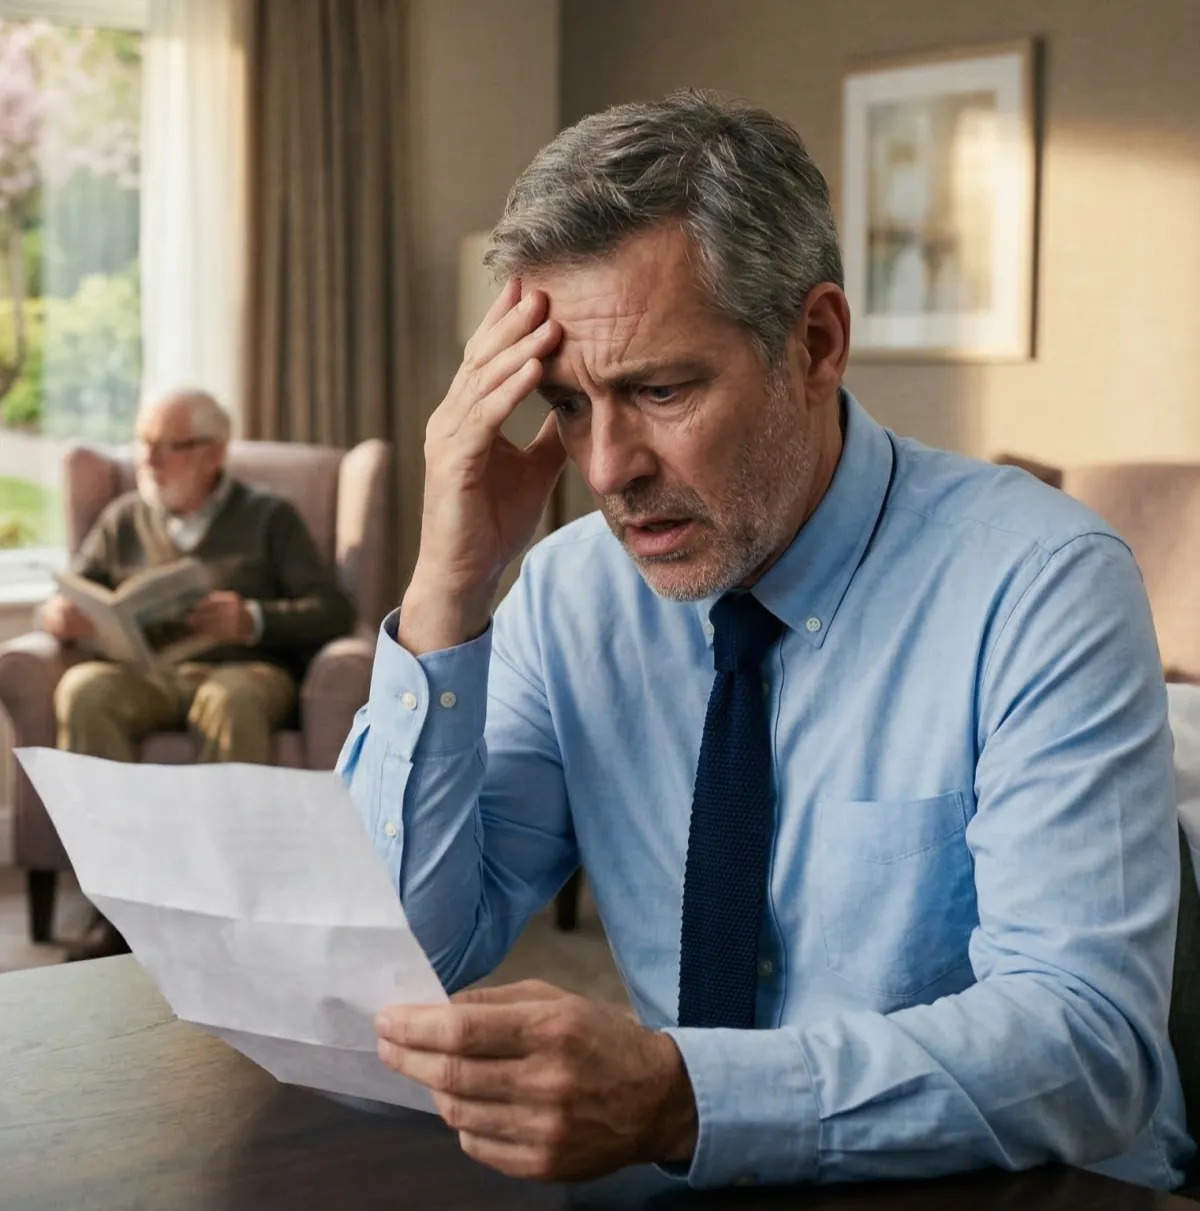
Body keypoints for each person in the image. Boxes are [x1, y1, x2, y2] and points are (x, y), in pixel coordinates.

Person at [340, 92, 1193, 1189]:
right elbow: (401, 953)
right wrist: (447, 587)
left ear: (817, 343)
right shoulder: (567, 597)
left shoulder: (1039, 586)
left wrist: (681, 1095)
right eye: (568, 404)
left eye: (659, 389)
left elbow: (1087, 1046)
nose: (606, 470)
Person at [45, 388, 354, 961]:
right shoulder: (124, 519)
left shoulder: (269, 517)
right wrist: (59, 615)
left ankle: (223, 908)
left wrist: (254, 618)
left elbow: (332, 610)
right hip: (150, 678)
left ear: (215, 452)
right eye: (143, 444)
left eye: (169, 447)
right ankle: (118, 908)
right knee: (83, 691)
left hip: (246, 673)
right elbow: (75, 589)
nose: (149, 461)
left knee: (229, 700)